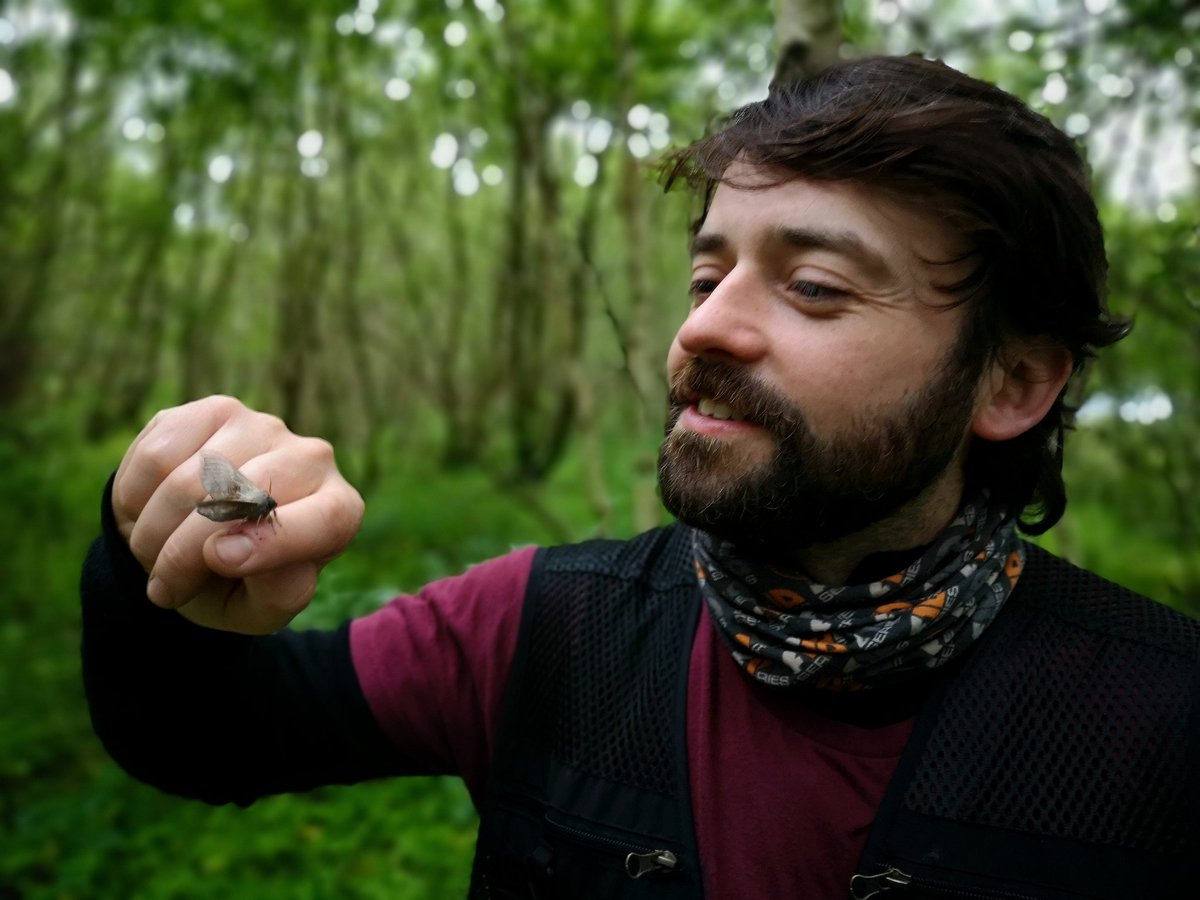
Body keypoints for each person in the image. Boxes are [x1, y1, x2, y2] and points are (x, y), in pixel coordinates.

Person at [81, 55, 1197, 899]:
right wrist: (157, 548)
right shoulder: (544, 623)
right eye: (707, 273)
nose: (706, 328)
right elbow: (201, 734)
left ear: (1010, 383)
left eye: (812, 287)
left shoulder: (1163, 713)